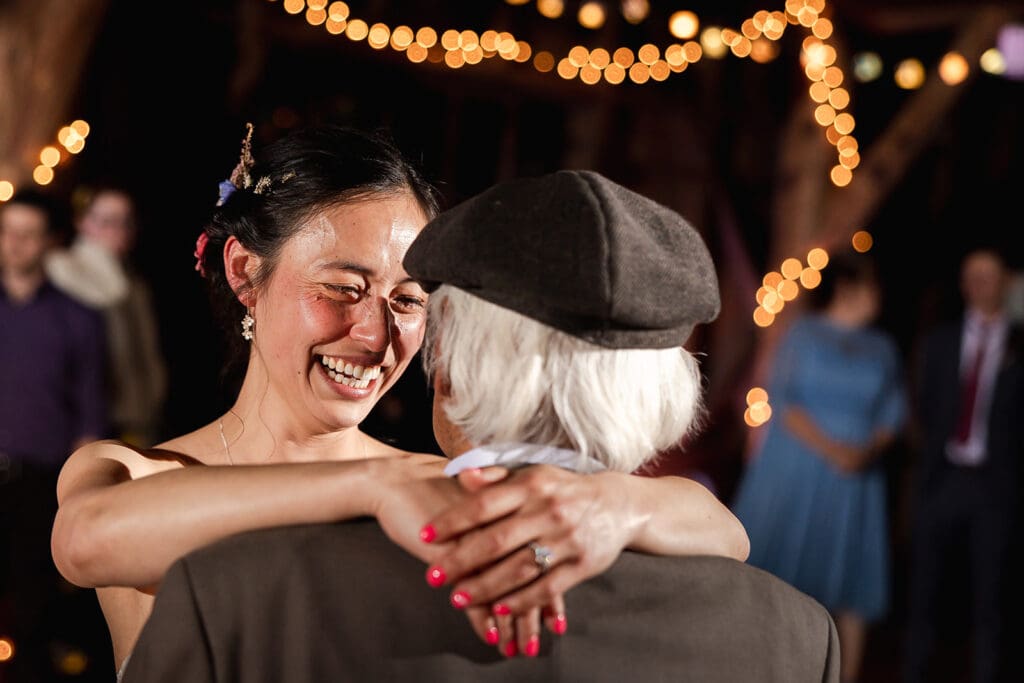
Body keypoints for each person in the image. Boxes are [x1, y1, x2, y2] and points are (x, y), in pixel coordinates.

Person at [50, 125, 749, 678]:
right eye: (343, 288)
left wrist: (618, 504)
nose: (376, 335)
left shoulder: (432, 485)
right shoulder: (138, 473)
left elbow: (729, 537)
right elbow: (83, 540)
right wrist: (372, 484)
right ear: (244, 272)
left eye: (409, 301)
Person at [730, 248, 907, 683]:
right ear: (847, 288)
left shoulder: (883, 347)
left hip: (853, 480)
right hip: (799, 466)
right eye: (871, 286)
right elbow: (784, 400)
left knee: (852, 581)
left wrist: (864, 452)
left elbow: (894, 411)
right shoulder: (803, 333)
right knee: (782, 574)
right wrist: (832, 449)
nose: (878, 296)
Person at [0, 190, 108, 681]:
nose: (15, 243)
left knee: (33, 610)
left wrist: (79, 494)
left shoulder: (78, 319)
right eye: (8, 231)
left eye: (28, 234)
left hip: (42, 482)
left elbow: (90, 413)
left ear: (49, 242)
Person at [904, 247, 1023, 683]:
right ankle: (914, 670)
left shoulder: (1019, 342)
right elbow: (922, 404)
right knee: (923, 590)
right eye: (971, 276)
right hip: (943, 477)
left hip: (996, 484)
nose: (979, 285)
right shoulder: (940, 340)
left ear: (1004, 282)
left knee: (990, 597)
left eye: (988, 276)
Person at [46, 183, 168, 446]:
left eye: (126, 222)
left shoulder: (133, 282)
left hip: (138, 417)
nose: (118, 230)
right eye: (107, 221)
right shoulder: (63, 274)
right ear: (82, 222)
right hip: (87, 424)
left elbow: (147, 353)